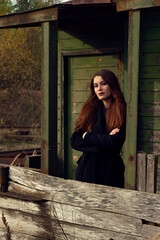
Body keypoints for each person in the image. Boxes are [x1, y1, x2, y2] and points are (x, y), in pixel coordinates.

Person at [70, 69, 126, 188]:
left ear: (112, 85)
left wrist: (87, 136)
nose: (99, 89)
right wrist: (104, 141)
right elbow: (74, 140)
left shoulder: (121, 110)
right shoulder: (89, 110)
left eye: (103, 84)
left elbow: (114, 142)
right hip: (87, 170)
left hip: (110, 172)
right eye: (95, 86)